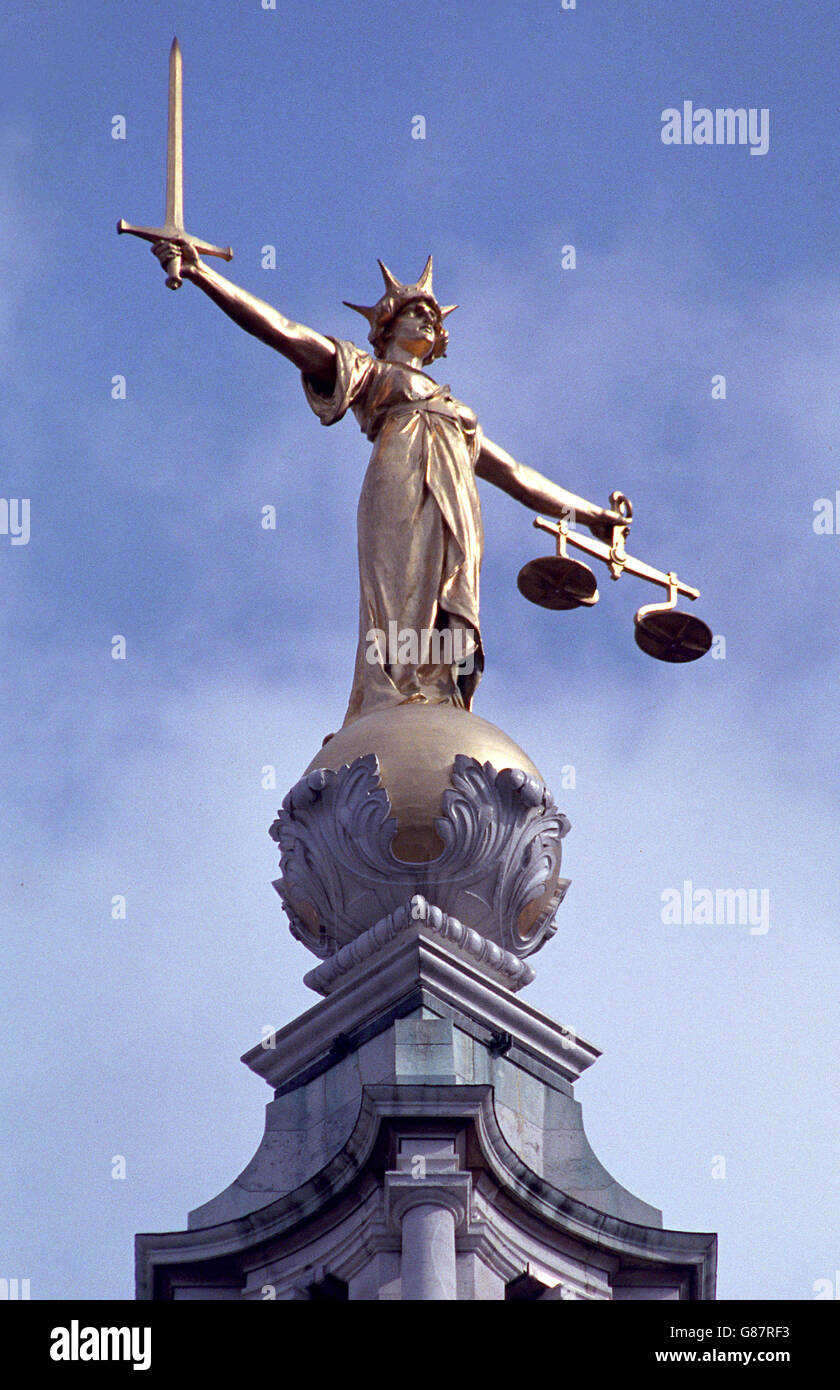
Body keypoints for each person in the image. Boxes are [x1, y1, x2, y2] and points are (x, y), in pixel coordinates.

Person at [152, 244, 626, 725]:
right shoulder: (371, 373)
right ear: (387, 326)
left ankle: (439, 689)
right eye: (415, 312)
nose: (427, 321)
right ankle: (393, 690)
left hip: (458, 510)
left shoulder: (459, 414)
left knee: (448, 599)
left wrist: (592, 517)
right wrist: (203, 274)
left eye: (432, 317)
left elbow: (519, 476)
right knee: (399, 591)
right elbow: (285, 332)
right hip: (399, 488)